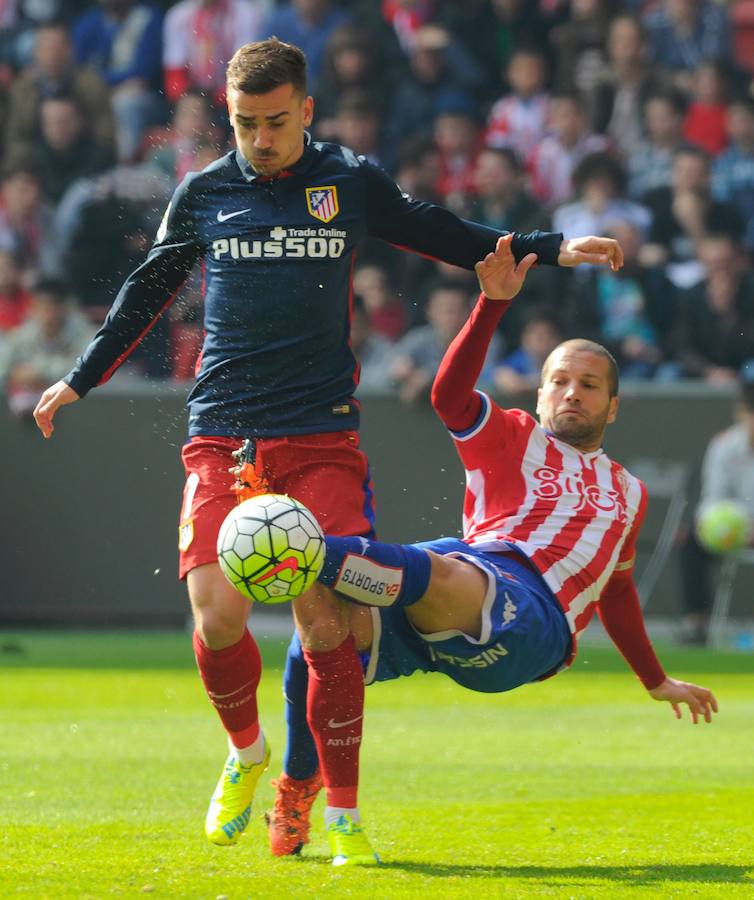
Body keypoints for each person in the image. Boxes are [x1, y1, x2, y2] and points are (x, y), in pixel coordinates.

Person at [31, 38, 623, 866]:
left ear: (305, 110)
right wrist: (79, 378)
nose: (260, 139)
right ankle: (245, 752)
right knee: (215, 615)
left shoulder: (345, 180)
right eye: (244, 124)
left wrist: (551, 245)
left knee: (328, 619)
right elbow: (149, 289)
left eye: (275, 122)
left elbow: (440, 232)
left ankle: (338, 810)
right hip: (223, 430)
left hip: (319, 434)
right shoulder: (204, 192)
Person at [269, 234, 717, 863]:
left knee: (409, 571)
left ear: (613, 406)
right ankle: (302, 788)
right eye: (559, 380)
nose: (572, 392)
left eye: (589, 385)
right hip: (458, 578)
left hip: (531, 624)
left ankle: (290, 550)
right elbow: (448, 398)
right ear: (538, 394)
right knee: (316, 621)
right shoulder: (512, 434)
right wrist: (491, 305)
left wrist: (655, 679)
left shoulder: (629, 493)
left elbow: (614, 591)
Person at [677, 377, 754, 645]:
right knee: (690, 543)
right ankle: (696, 623)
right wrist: (706, 523)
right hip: (731, 531)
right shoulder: (724, 446)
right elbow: (713, 498)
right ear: (741, 412)